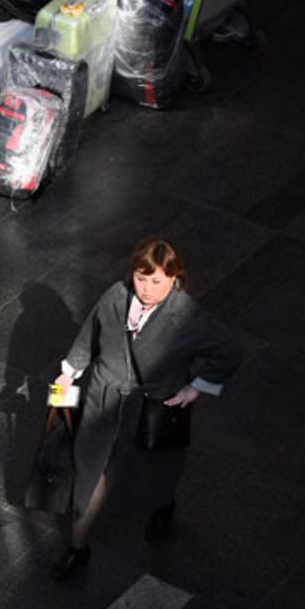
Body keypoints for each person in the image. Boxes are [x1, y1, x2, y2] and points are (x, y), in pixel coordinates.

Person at [49, 237, 241, 581]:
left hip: (151, 412)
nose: (147, 288)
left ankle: (162, 504)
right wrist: (67, 374)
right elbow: (88, 336)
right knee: (90, 475)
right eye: (141, 278)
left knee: (155, 471)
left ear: (174, 279)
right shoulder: (115, 298)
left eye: (156, 281)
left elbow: (228, 351)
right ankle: (78, 547)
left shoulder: (187, 317)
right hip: (102, 403)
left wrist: (195, 388)